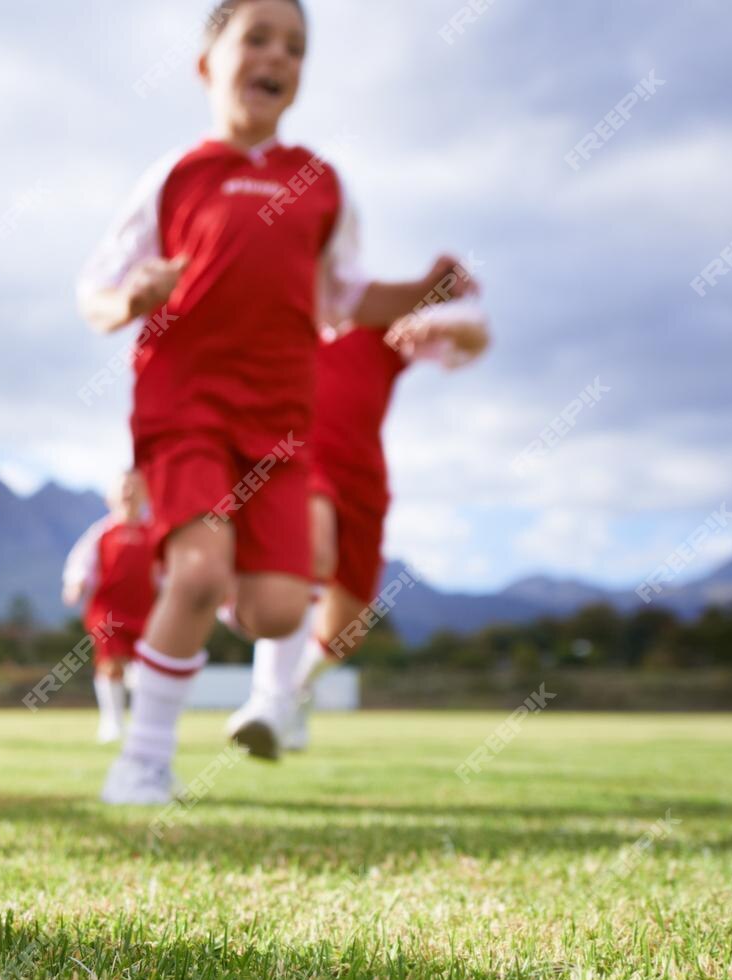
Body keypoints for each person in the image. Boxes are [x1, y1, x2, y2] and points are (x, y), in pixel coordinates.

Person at [75, 0, 476, 804]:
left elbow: (350, 297)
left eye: (294, 46)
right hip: (183, 407)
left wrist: (424, 288)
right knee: (197, 574)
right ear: (206, 64)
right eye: (255, 37)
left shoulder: (320, 184)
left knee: (278, 609)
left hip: (279, 425)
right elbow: (95, 289)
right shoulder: (176, 176)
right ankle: (143, 760)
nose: (277, 55)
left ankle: (212, 585)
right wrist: (131, 297)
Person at [233, 305, 491, 756]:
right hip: (300, 458)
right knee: (311, 552)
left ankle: (294, 693)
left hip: (363, 480)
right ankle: (267, 702)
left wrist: (447, 324)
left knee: (343, 635)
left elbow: (475, 340)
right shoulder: (283, 317)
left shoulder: (379, 323)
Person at [62, 470, 158, 743]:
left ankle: (142, 725)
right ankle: (112, 722)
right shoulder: (101, 532)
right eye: (123, 488)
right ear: (110, 497)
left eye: (135, 487)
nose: (129, 493)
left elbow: (165, 571)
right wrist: (75, 584)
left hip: (147, 611)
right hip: (108, 612)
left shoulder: (155, 532)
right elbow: (80, 563)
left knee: (146, 670)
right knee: (110, 664)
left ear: (146, 494)